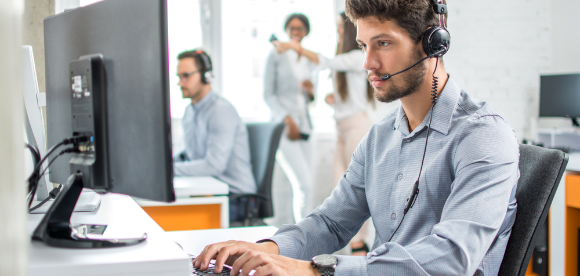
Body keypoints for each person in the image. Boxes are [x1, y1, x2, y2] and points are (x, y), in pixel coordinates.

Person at [194, 0, 520, 275]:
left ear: (432, 43)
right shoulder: (380, 137)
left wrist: (313, 269)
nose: (368, 63)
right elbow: (331, 223)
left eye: (383, 43)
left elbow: (452, 258)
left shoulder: (482, 135)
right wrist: (264, 249)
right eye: (364, 46)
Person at [276, 11, 375, 256]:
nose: (338, 32)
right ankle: (352, 247)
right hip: (342, 129)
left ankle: (360, 246)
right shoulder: (347, 59)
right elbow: (345, 88)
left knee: (361, 191)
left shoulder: (356, 56)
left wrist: (293, 47)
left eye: (341, 27)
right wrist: (334, 100)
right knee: (340, 191)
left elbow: (325, 61)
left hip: (357, 128)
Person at [172, 49, 257, 223]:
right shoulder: (190, 111)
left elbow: (213, 166)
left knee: (177, 222)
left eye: (186, 76)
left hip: (236, 198)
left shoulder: (220, 111)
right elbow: (189, 154)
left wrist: (167, 172)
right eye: (179, 77)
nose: (181, 82)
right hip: (208, 191)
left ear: (206, 76)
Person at [264, 13, 317, 221]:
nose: (296, 33)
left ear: (306, 32)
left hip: (306, 126)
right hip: (284, 127)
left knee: (306, 186)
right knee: (303, 184)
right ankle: (302, 238)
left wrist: (311, 91)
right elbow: (268, 94)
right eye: (292, 28)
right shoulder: (276, 55)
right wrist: (287, 119)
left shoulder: (308, 59)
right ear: (286, 30)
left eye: (300, 29)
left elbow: (311, 99)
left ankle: (302, 234)